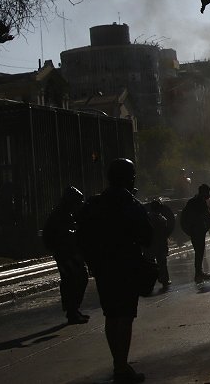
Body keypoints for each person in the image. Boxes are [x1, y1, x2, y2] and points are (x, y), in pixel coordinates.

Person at [78, 159, 153, 384]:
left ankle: (117, 363)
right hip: (127, 267)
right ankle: (121, 366)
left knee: (111, 316)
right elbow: (147, 237)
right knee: (125, 317)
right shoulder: (131, 204)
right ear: (129, 178)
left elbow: (82, 237)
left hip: (103, 268)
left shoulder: (94, 204)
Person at [42, 186, 90, 324]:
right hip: (65, 255)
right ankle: (72, 311)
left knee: (78, 279)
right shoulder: (60, 215)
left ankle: (73, 310)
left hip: (70, 253)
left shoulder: (67, 213)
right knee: (73, 280)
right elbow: (64, 235)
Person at [181, 184, 210, 282]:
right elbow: (206, 216)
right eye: (207, 192)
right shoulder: (198, 202)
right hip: (196, 230)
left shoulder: (196, 201)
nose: (209, 194)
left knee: (199, 252)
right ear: (203, 192)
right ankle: (198, 274)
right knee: (199, 252)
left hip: (196, 230)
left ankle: (199, 272)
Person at [145, 198, 174, 288]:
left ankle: (149, 281)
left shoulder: (147, 218)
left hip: (150, 244)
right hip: (160, 244)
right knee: (162, 262)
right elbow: (165, 232)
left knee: (150, 263)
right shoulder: (161, 219)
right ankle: (164, 279)